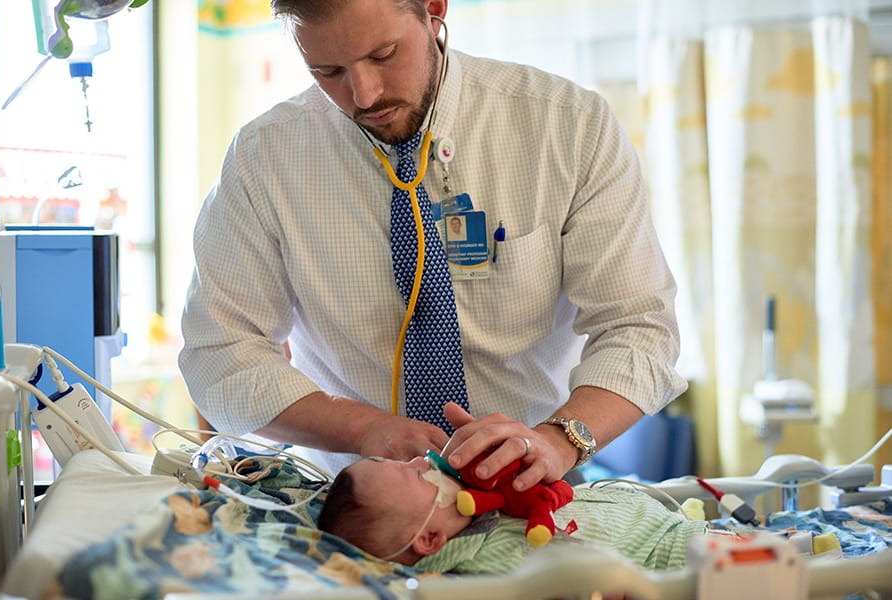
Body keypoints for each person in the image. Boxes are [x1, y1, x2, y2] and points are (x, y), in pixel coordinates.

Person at [179, 0, 687, 486]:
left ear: (434, 10)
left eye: (383, 55)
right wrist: (362, 428)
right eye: (327, 71)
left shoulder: (567, 126)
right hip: (350, 496)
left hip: (534, 477)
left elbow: (637, 326)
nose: (365, 95)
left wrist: (558, 440)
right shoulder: (264, 159)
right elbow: (222, 353)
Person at [317, 454, 708, 572]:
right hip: (673, 556)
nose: (422, 461)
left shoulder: (485, 510)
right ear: (429, 538)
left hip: (674, 525)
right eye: (415, 476)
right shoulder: (487, 568)